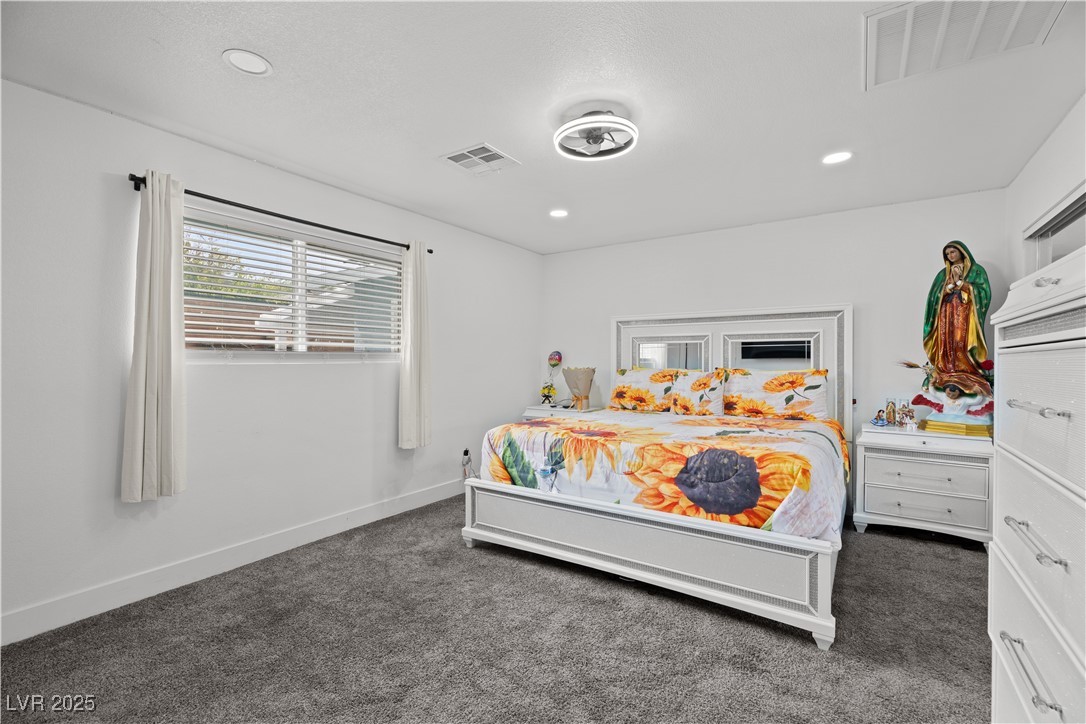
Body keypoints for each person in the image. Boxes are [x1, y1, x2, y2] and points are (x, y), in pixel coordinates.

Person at [922, 241, 992, 398]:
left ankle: (966, 370)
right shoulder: (942, 274)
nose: (950, 256)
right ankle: (946, 369)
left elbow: (983, 293)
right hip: (946, 314)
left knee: (961, 340)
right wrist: (948, 287)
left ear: (962, 251)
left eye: (953, 252)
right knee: (947, 341)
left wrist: (961, 283)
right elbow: (934, 297)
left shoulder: (977, 271)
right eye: (947, 254)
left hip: (965, 314)